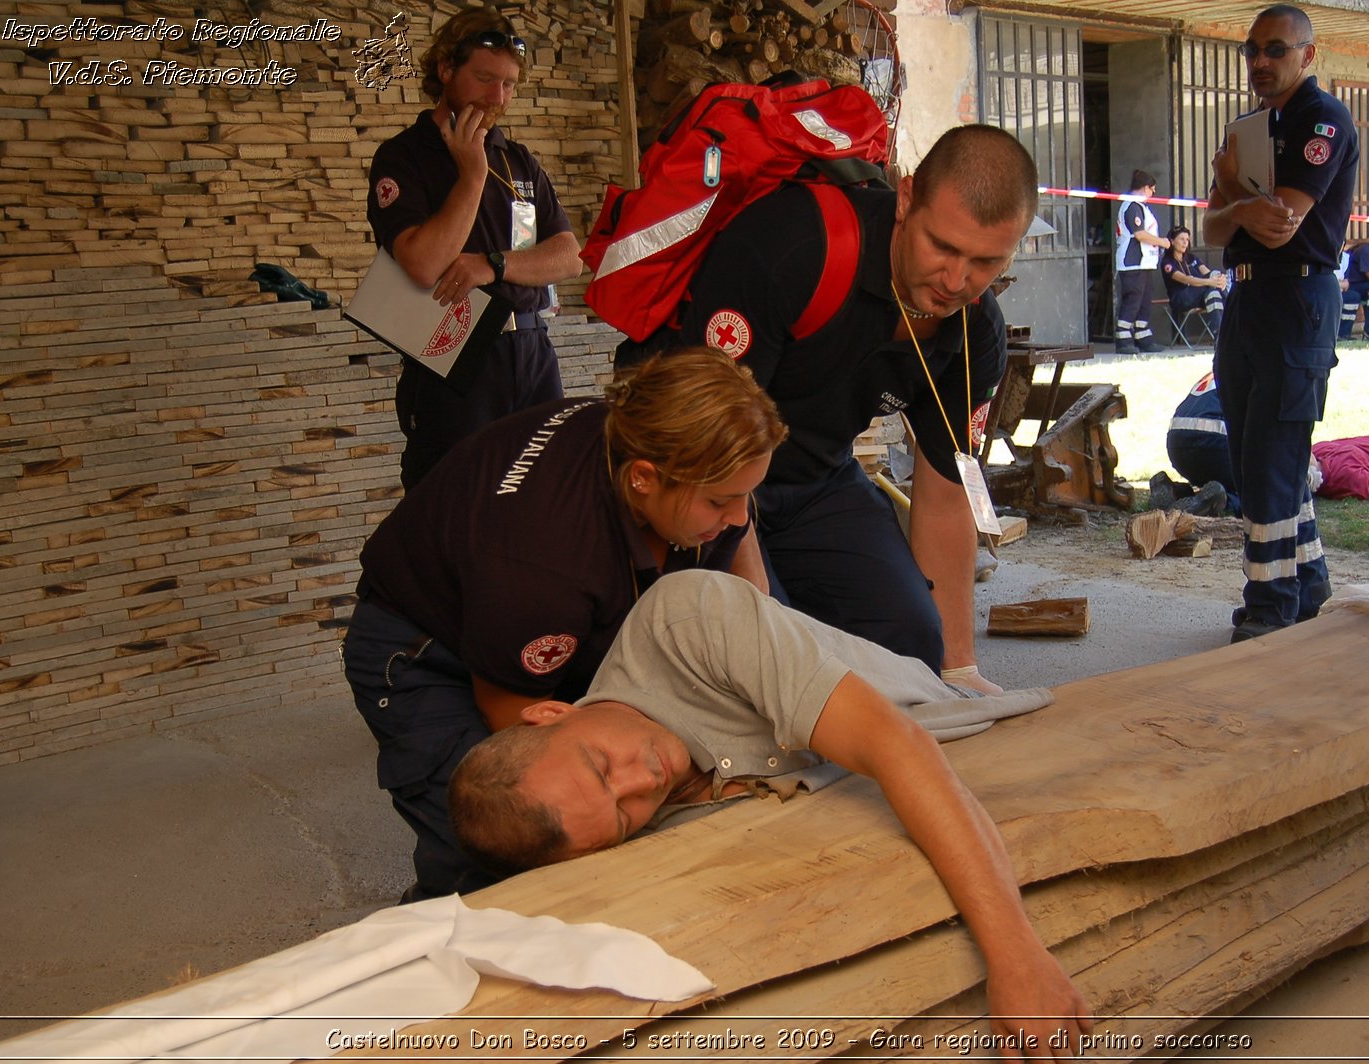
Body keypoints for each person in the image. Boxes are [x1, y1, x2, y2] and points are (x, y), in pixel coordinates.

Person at [449, 569, 1095, 1055]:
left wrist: (1015, 956)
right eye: (622, 817)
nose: (642, 782)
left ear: (551, 711)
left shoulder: (686, 621)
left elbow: (894, 746)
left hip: (955, 733)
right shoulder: (618, 829)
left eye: (600, 763)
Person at [342, 348, 787, 900]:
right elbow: (515, 712)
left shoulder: (662, 438)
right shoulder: (541, 565)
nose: (740, 515)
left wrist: (758, 629)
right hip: (428, 651)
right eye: (722, 500)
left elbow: (740, 553)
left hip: (558, 610)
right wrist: (646, 787)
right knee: (510, 846)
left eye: (749, 493)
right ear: (644, 480)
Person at [642, 125, 1038, 691]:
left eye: (985, 262)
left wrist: (958, 672)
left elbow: (949, 493)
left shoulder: (975, 337)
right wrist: (764, 619)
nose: (956, 282)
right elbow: (705, 453)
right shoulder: (793, 248)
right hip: (705, 477)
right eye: (943, 247)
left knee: (912, 646)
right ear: (905, 200)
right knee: (763, 667)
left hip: (817, 482)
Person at [367, 8, 585, 489]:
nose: (497, 97)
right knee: (457, 500)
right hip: (454, 352)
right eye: (485, 79)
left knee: (541, 495)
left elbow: (569, 255)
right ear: (446, 70)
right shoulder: (404, 157)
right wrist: (472, 175)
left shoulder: (517, 158)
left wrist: (495, 264)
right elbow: (423, 264)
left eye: (508, 84)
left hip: (531, 349)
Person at [1203, 4, 1358, 643]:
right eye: (1253, 51)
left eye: (1276, 49)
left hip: (1296, 302)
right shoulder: (1252, 128)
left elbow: (1279, 220)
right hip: (1246, 300)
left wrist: (1231, 191)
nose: (1261, 62)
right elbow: (1213, 230)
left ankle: (1269, 608)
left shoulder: (1322, 119)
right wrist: (1239, 201)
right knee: (1255, 454)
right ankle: (1309, 583)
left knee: (1274, 454)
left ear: (1307, 55)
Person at [1160, 371, 1241, 517]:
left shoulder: (1221, 366)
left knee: (1213, 479)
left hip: (1177, 443)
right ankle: (1224, 502)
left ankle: (1178, 493)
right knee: (1265, 494)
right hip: (1218, 444)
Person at [1114, 170, 1171, 354]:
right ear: (1145, 188)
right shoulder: (1132, 206)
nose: (1153, 193)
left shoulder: (1141, 206)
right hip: (1133, 262)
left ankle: (1143, 337)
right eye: (1152, 189)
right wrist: (1163, 242)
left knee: (1144, 302)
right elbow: (1139, 234)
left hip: (1145, 262)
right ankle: (1123, 339)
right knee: (1133, 301)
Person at [1159, 225, 1228, 340]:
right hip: (1181, 297)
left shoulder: (1191, 258)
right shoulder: (1168, 262)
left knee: (1214, 290)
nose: (1185, 242)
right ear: (1172, 241)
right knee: (1213, 288)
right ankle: (1224, 335)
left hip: (1200, 294)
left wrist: (1220, 278)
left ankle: (1221, 337)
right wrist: (1210, 282)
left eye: (1187, 239)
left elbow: (1207, 272)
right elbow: (1185, 279)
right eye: (1182, 239)